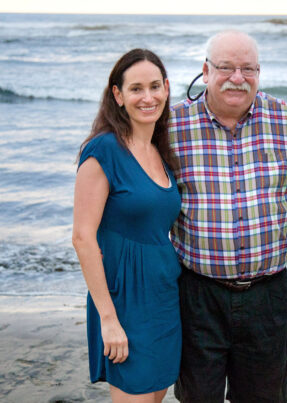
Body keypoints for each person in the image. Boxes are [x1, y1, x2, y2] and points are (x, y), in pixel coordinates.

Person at [168, 30, 287, 403]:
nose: (237, 77)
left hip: (267, 296)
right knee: (198, 396)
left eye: (248, 68)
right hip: (198, 294)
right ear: (205, 70)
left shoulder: (286, 121)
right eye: (226, 67)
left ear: (259, 72)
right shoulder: (171, 126)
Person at [72, 49, 181, 402]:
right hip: (124, 301)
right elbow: (82, 238)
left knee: (156, 395)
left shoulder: (159, 151)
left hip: (165, 298)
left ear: (166, 89)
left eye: (154, 86)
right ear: (118, 95)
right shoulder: (102, 151)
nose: (147, 97)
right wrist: (108, 318)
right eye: (136, 89)